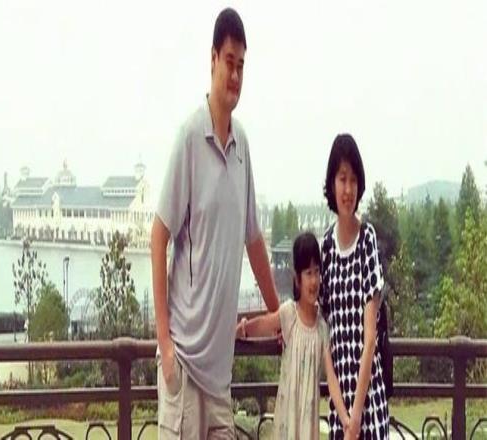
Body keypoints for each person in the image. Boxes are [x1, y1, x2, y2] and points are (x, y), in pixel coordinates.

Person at [151, 7, 280, 439]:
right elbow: (158, 236)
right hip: (184, 367)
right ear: (212, 59)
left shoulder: (242, 144)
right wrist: (165, 343)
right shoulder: (190, 137)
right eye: (229, 62)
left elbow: (254, 239)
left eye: (242, 65)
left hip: (219, 375)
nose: (236, 75)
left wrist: (279, 314)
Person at [236, 232, 349, 440]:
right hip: (287, 420)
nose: (314, 280)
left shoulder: (322, 327)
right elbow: (263, 324)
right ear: (297, 278)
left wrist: (346, 419)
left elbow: (332, 379)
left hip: (308, 423)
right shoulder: (290, 314)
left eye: (317, 271)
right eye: (308, 273)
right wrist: (241, 329)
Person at [321, 134, 390, 439]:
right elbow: (325, 340)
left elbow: (370, 338)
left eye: (353, 180)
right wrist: (344, 416)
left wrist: (357, 415)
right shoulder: (325, 247)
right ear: (332, 184)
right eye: (342, 179)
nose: (348, 189)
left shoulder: (367, 240)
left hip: (368, 402)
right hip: (339, 409)